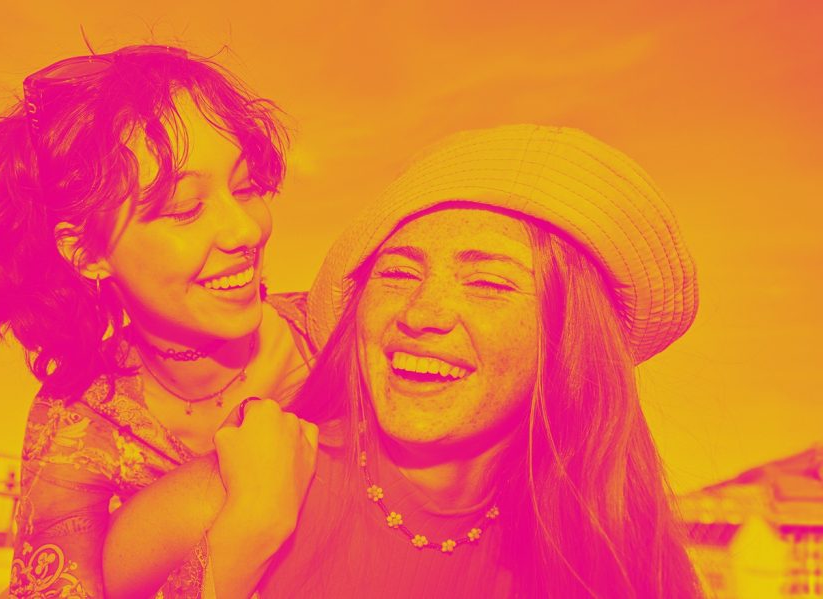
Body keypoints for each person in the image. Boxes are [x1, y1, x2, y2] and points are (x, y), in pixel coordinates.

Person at [104, 124, 705, 598]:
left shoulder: (622, 552)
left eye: (489, 283)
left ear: (570, 339)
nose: (422, 314)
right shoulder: (213, 502)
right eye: (397, 273)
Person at [0, 44, 319, 598]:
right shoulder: (81, 419)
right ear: (87, 252)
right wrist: (245, 530)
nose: (245, 231)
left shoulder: (337, 335)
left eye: (245, 188)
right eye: (185, 209)